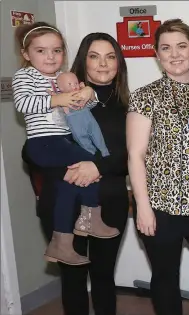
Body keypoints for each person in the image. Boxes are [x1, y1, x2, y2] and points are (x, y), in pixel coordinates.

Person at [30, 31, 131, 315]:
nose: (103, 64)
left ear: (119, 63)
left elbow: (132, 157)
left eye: (110, 57)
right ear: (82, 62)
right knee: (72, 280)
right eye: (94, 56)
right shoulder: (62, 96)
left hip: (109, 201)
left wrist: (97, 166)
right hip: (64, 202)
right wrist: (75, 168)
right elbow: (35, 147)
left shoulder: (128, 105)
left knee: (103, 277)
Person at [13, 22, 119, 267]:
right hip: (43, 142)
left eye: (57, 50)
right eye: (41, 51)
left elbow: (78, 110)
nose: (50, 56)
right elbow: (23, 104)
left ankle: (61, 243)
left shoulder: (63, 78)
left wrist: (87, 95)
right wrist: (57, 98)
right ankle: (91, 216)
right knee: (91, 163)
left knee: (69, 185)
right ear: (26, 54)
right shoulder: (26, 76)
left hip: (61, 140)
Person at [127, 19, 189, 315]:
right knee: (165, 279)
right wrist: (143, 207)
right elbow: (135, 155)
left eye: (181, 46)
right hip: (160, 206)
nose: (175, 54)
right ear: (157, 55)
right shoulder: (145, 96)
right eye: (166, 48)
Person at [55, 72, 110, 157]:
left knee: (97, 133)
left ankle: (104, 150)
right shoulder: (61, 98)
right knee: (81, 138)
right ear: (61, 88)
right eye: (69, 84)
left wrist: (85, 89)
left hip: (88, 118)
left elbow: (91, 103)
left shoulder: (81, 93)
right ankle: (91, 153)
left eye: (76, 83)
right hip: (75, 121)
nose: (74, 86)